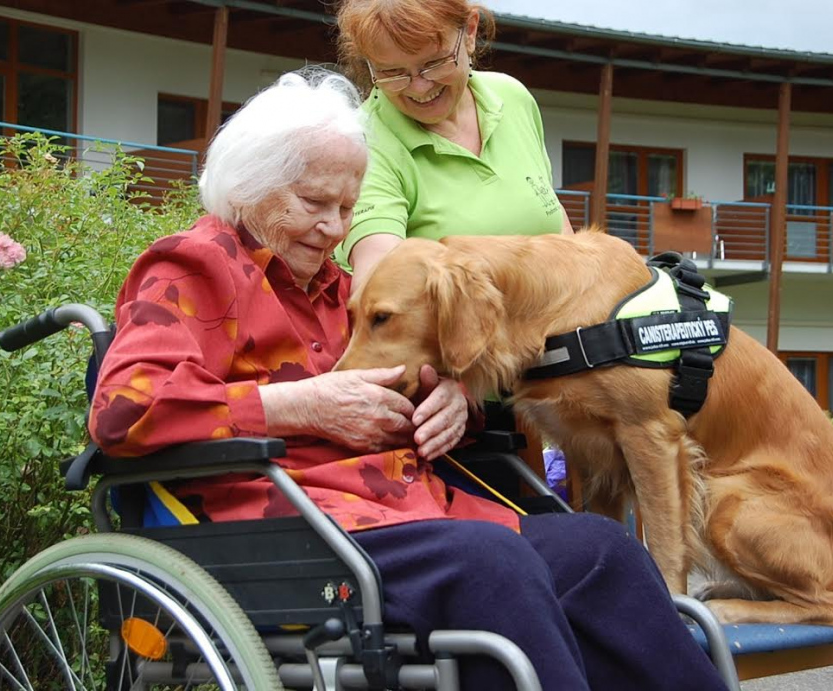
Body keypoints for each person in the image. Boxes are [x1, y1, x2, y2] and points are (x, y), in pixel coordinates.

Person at [88, 68, 727, 691]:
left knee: (600, 549)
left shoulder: (339, 291)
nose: (335, 228)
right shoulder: (195, 267)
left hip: (410, 517)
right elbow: (120, 411)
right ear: (250, 190)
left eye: (346, 207)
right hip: (288, 532)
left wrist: (455, 402)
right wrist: (298, 405)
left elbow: (403, 382)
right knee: (489, 566)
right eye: (314, 203)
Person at [333, 0, 574, 285]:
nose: (419, 87)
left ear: (470, 32)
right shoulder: (362, 141)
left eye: (434, 64)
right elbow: (378, 276)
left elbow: (557, 226)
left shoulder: (512, 97)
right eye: (391, 72)